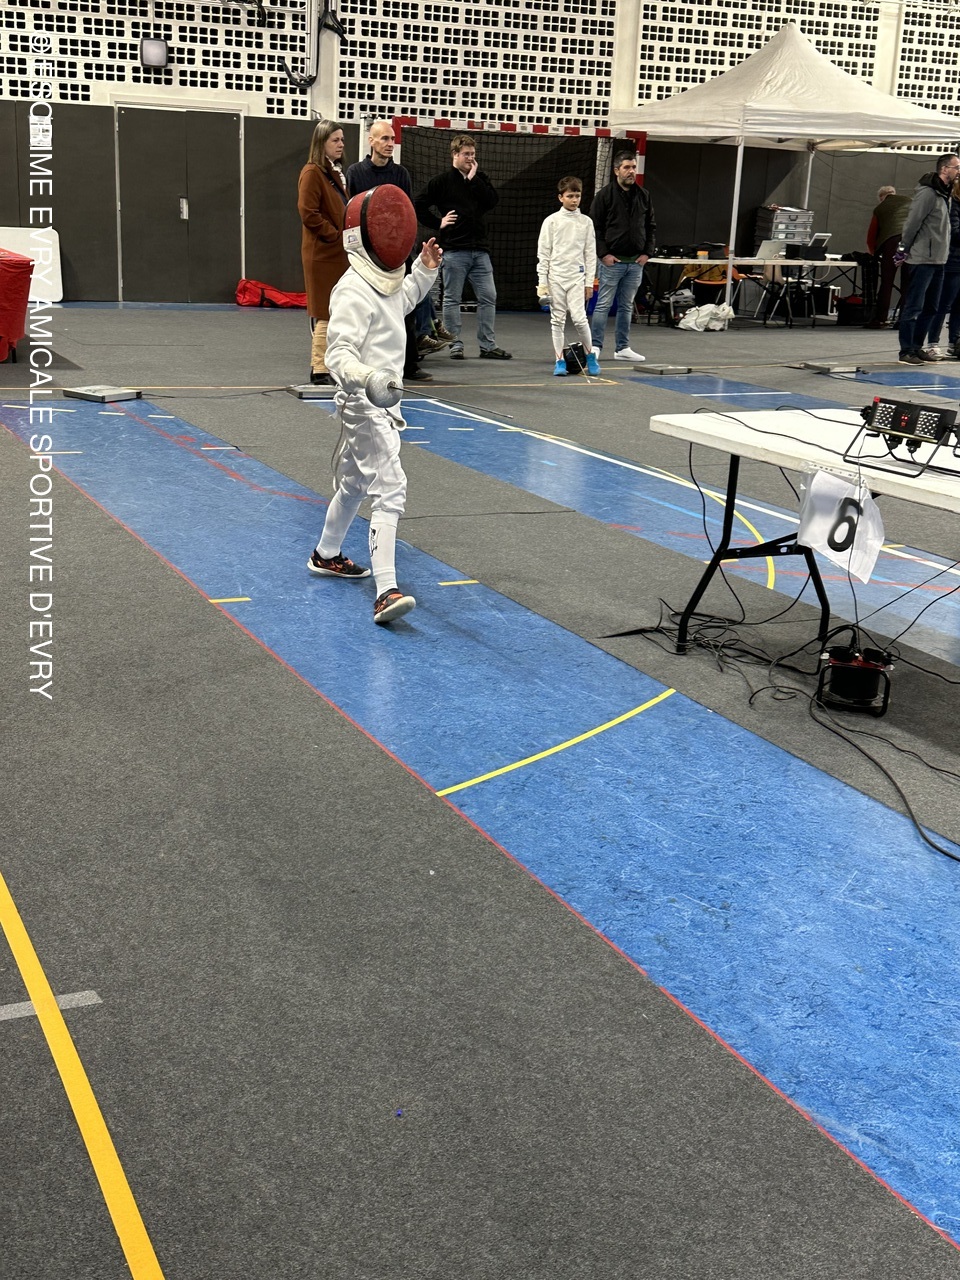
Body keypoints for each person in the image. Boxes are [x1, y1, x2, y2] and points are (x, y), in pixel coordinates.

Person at [306, 184, 442, 626]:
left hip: (382, 400)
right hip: (364, 403)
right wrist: (368, 377)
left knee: (354, 483)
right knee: (391, 486)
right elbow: (337, 355)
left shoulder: (384, 282)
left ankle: (326, 554)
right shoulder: (351, 290)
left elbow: (402, 300)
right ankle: (386, 591)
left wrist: (423, 270)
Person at [345, 119, 435, 383]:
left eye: (392, 138)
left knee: (403, 308)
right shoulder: (355, 173)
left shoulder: (401, 174)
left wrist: (406, 247)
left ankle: (409, 365)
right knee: (363, 307)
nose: (390, 143)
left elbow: (405, 212)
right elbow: (350, 213)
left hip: (395, 252)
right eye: (384, 138)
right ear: (371, 141)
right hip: (365, 255)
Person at [414, 134, 511, 361]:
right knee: (452, 299)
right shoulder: (441, 182)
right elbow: (418, 204)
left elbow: (492, 201)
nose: (470, 158)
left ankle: (488, 345)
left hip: (480, 251)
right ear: (455, 154)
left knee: (489, 296)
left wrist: (474, 179)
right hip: (454, 250)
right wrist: (438, 222)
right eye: (466, 154)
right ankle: (455, 344)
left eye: (473, 155)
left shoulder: (480, 179)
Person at [588, 151, 657, 363]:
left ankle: (622, 348)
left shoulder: (644, 195)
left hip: (635, 263)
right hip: (612, 262)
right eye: (627, 167)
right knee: (603, 305)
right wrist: (604, 254)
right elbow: (595, 228)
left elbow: (651, 226)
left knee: (627, 306)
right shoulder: (604, 196)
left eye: (634, 167)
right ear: (616, 170)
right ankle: (595, 346)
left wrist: (647, 253)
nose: (631, 171)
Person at [298, 120, 349, 386]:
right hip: (322, 254)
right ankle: (319, 368)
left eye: (342, 140)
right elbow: (308, 213)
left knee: (335, 310)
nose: (341, 145)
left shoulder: (333, 172)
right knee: (325, 311)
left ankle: (329, 365)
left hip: (336, 253)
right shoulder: (312, 172)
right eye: (335, 140)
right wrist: (334, 235)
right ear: (321, 143)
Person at [897, 153, 960, 364]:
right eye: (956, 167)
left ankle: (917, 347)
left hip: (940, 260)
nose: (959, 171)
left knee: (931, 307)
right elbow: (912, 223)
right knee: (914, 306)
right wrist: (903, 248)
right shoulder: (927, 193)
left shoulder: (945, 194)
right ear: (944, 169)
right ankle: (906, 350)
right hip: (922, 258)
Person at [536, 176, 600, 376]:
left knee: (580, 319)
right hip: (555, 278)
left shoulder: (586, 222)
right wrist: (542, 284)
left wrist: (589, 283)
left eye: (577, 196)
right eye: (570, 196)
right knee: (557, 320)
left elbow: (590, 254)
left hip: (577, 278)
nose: (574, 200)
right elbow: (544, 254)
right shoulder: (551, 221)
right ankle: (560, 361)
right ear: (560, 197)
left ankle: (590, 357)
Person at [919, 176, 960, 359]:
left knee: (958, 305)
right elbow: (954, 232)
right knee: (944, 304)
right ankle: (933, 343)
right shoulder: (953, 204)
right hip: (952, 261)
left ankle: (954, 342)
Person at [866, 184, 912, 328]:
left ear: (881, 198)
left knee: (887, 282)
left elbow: (871, 236)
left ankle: (881, 319)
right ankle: (903, 320)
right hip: (909, 243)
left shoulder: (880, 208)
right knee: (907, 283)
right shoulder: (909, 201)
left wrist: (873, 253)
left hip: (892, 244)